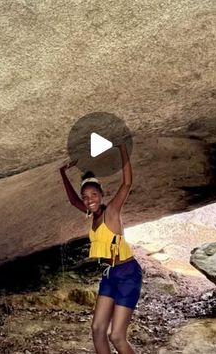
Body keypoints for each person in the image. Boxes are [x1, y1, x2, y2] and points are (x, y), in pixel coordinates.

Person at [60, 142, 143, 354]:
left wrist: (122, 149)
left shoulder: (112, 212)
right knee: (97, 329)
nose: (89, 200)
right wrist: (63, 172)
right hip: (109, 274)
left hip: (128, 273)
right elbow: (72, 200)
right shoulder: (91, 214)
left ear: (101, 194)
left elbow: (127, 184)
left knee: (116, 336)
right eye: (86, 197)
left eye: (93, 195)